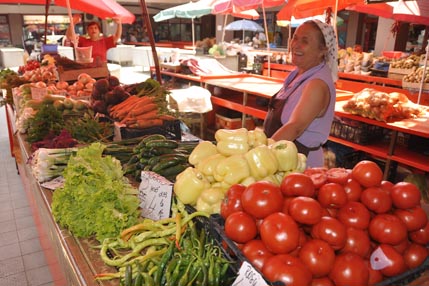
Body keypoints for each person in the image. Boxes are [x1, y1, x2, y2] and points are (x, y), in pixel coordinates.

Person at [263, 20, 338, 168]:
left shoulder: (317, 84)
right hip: (281, 158)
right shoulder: (298, 73)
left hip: (300, 164)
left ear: (322, 50)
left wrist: (262, 155)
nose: (296, 44)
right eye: (295, 38)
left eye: (305, 41)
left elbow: (295, 127)